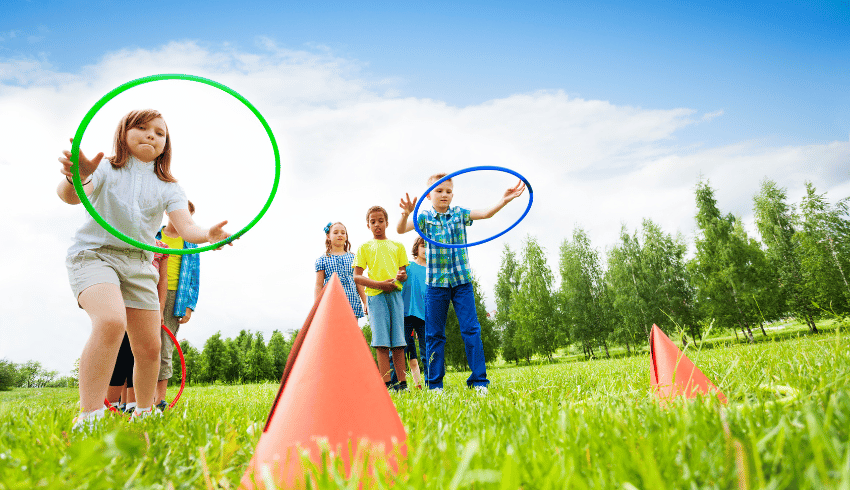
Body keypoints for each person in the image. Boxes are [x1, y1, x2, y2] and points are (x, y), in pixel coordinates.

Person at [58, 109, 232, 429]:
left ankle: (144, 411)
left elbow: (187, 227)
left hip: (140, 263)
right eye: (141, 127)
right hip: (96, 255)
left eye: (160, 132)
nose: (151, 135)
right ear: (123, 133)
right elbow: (70, 197)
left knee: (150, 347)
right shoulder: (106, 169)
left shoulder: (168, 186)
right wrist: (77, 176)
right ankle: (90, 415)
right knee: (111, 321)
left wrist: (208, 236)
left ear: (166, 145)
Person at [397, 173, 525, 394]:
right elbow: (400, 229)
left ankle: (479, 382)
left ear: (452, 194)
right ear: (429, 195)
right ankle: (435, 385)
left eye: (448, 191)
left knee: (471, 329)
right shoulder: (424, 218)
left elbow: (486, 213)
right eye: (439, 190)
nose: (444, 194)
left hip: (461, 281)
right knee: (434, 334)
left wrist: (504, 200)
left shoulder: (459, 214)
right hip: (436, 284)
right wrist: (407, 214)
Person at [106, 239, 169, 413]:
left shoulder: (162, 248)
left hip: (146, 303)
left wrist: (160, 309)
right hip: (123, 298)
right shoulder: (125, 237)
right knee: (121, 352)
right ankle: (111, 404)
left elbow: (163, 280)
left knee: (142, 351)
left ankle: (136, 405)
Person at [353, 206, 409, 391]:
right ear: (368, 225)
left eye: (380, 221)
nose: (377, 225)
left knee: (399, 342)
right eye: (373, 222)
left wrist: (401, 276)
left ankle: (402, 384)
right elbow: (357, 276)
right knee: (381, 343)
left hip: (395, 296)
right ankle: (386, 386)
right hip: (376, 298)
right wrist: (379, 285)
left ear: (387, 222)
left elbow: (404, 273)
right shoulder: (364, 247)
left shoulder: (398, 246)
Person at [154, 201, 201, 410]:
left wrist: (189, 306)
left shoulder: (190, 243)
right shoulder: (154, 234)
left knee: (165, 345)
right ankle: (133, 398)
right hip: (148, 291)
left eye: (187, 215)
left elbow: (194, 275)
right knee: (141, 344)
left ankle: (159, 399)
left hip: (176, 297)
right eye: (177, 212)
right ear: (167, 212)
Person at [314, 222, 368, 318]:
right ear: (328, 236)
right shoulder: (322, 260)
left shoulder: (354, 258)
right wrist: (316, 307)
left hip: (352, 304)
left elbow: (359, 283)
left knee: (350, 333)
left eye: (343, 233)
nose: (340, 235)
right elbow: (319, 285)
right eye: (335, 232)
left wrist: (365, 302)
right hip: (330, 305)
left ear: (346, 236)